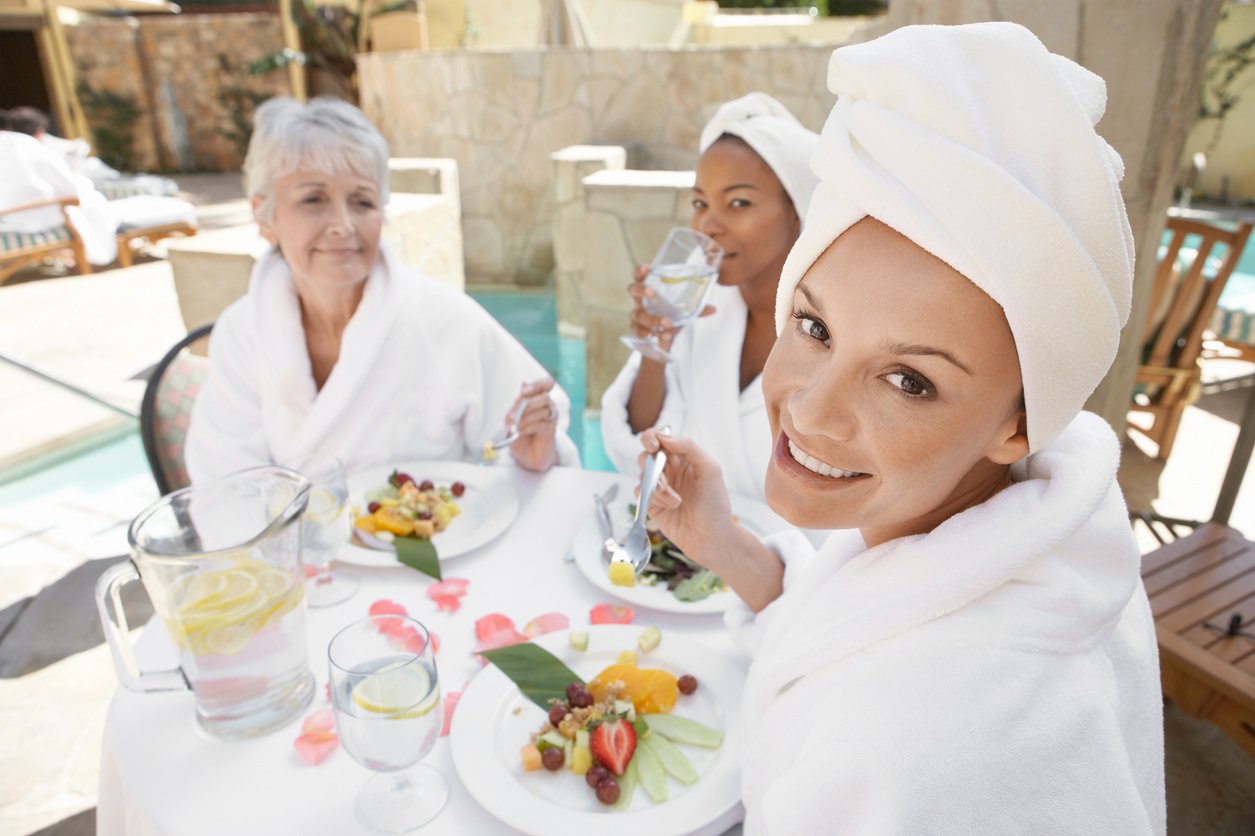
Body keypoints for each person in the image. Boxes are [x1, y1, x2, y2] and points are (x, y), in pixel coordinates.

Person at [638, 23, 1164, 833]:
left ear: (1018, 425)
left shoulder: (915, 745)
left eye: (908, 380)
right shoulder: (1022, 542)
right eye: (813, 327)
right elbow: (848, 633)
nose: (809, 410)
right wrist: (726, 545)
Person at [185, 97, 579, 481]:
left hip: (429, 542)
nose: (343, 224)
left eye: (362, 201)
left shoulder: (442, 320)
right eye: (313, 199)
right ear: (263, 214)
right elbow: (225, 481)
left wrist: (533, 457)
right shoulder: (243, 332)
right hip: (293, 547)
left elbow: (526, 448)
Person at [600, 93, 819, 505]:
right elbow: (636, 442)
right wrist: (656, 349)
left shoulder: (833, 335)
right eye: (700, 203)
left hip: (792, 561)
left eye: (739, 202)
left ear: (796, 210)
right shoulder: (694, 304)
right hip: (689, 547)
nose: (708, 225)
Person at [0, 107, 119, 265]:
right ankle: (98, 257)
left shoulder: (22, 145)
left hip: (7, 220)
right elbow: (70, 190)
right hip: (46, 217)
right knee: (91, 198)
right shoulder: (27, 145)